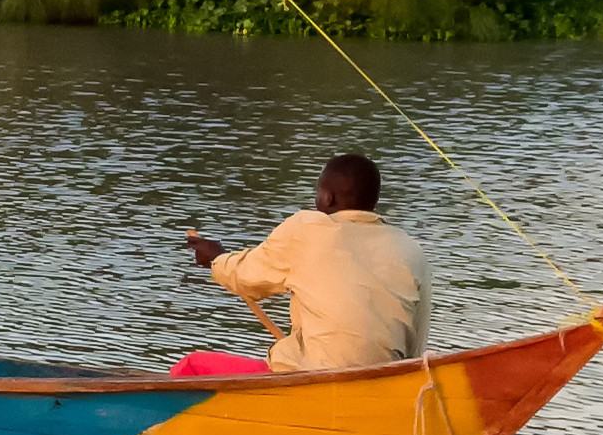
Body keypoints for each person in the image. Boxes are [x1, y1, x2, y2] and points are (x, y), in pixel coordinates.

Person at [175, 153, 426, 376]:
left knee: (193, 366)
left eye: (318, 192)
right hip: (384, 379)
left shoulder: (308, 229)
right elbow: (417, 339)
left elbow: (246, 276)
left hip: (314, 378)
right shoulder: (409, 248)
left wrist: (216, 259)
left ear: (327, 198)